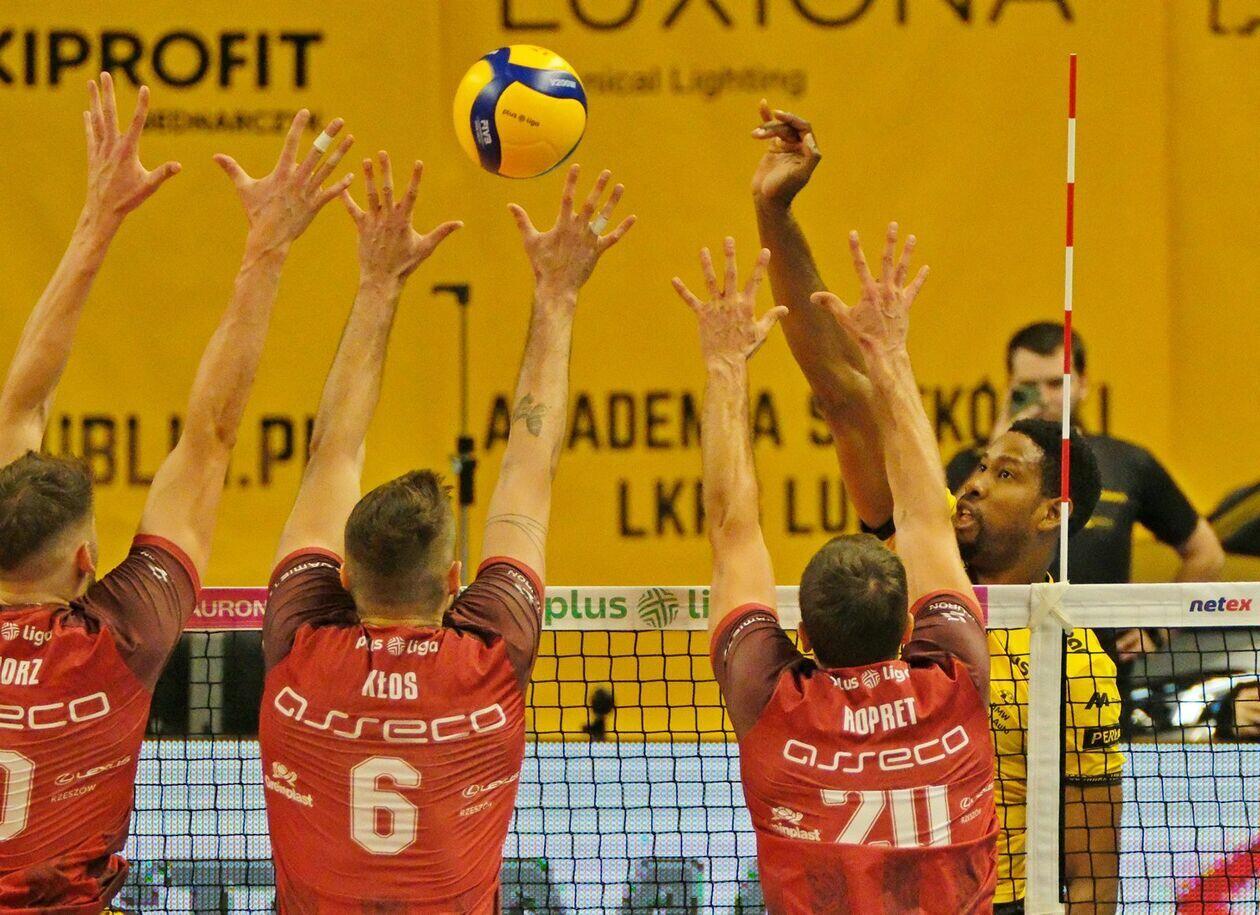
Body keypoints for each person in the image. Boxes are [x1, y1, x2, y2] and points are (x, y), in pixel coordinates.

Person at [750, 102, 1121, 913]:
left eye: (1006, 474)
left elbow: (1094, 874)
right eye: (981, 465)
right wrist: (776, 211)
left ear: (1053, 513)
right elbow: (842, 392)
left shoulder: (1079, 664)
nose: (975, 483)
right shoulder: (917, 557)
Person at [0, 75, 353, 912]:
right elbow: (210, 439)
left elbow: (19, 408)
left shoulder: (117, 630)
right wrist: (267, 247)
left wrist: (94, 221)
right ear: (86, 562)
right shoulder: (120, 636)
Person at [257, 162, 633, 912]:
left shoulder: (301, 643)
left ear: (343, 577)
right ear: (455, 578)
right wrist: (558, 293)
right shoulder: (488, 654)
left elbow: (330, 454)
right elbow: (530, 468)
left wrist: (377, 282)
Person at [673, 233, 996, 913]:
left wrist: (726, 366)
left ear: (803, 638)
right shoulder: (955, 673)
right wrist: (890, 353)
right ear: (909, 625)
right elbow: (924, 517)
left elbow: (732, 530)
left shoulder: (770, 699)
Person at [945, 321, 1226, 662]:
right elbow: (938, 545)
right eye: (1028, 387)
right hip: (993, 664)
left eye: (1056, 384)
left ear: (1082, 385)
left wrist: (1158, 629)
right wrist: (1001, 451)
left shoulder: (1127, 463)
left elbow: (1207, 554)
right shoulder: (970, 467)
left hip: (1098, 672)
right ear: (1009, 388)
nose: (1044, 398)